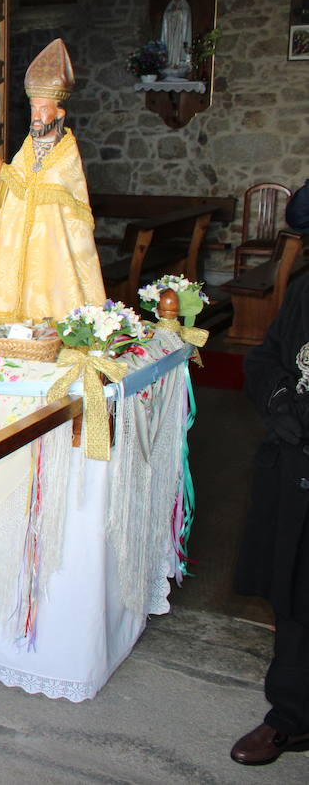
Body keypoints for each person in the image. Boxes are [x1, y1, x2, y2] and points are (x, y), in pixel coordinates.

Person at [0, 38, 105, 334]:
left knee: (49, 295)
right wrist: (0, 170)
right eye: (33, 108)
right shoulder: (28, 147)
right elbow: (21, 184)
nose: (37, 116)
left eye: (43, 108)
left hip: (52, 243)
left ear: (60, 114)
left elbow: (59, 191)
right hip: (20, 240)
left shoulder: (67, 152)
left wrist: (16, 179)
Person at [231, 276, 309, 766]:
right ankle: (292, 718)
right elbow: (266, 358)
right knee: (296, 592)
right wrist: (279, 399)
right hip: (296, 465)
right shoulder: (305, 288)